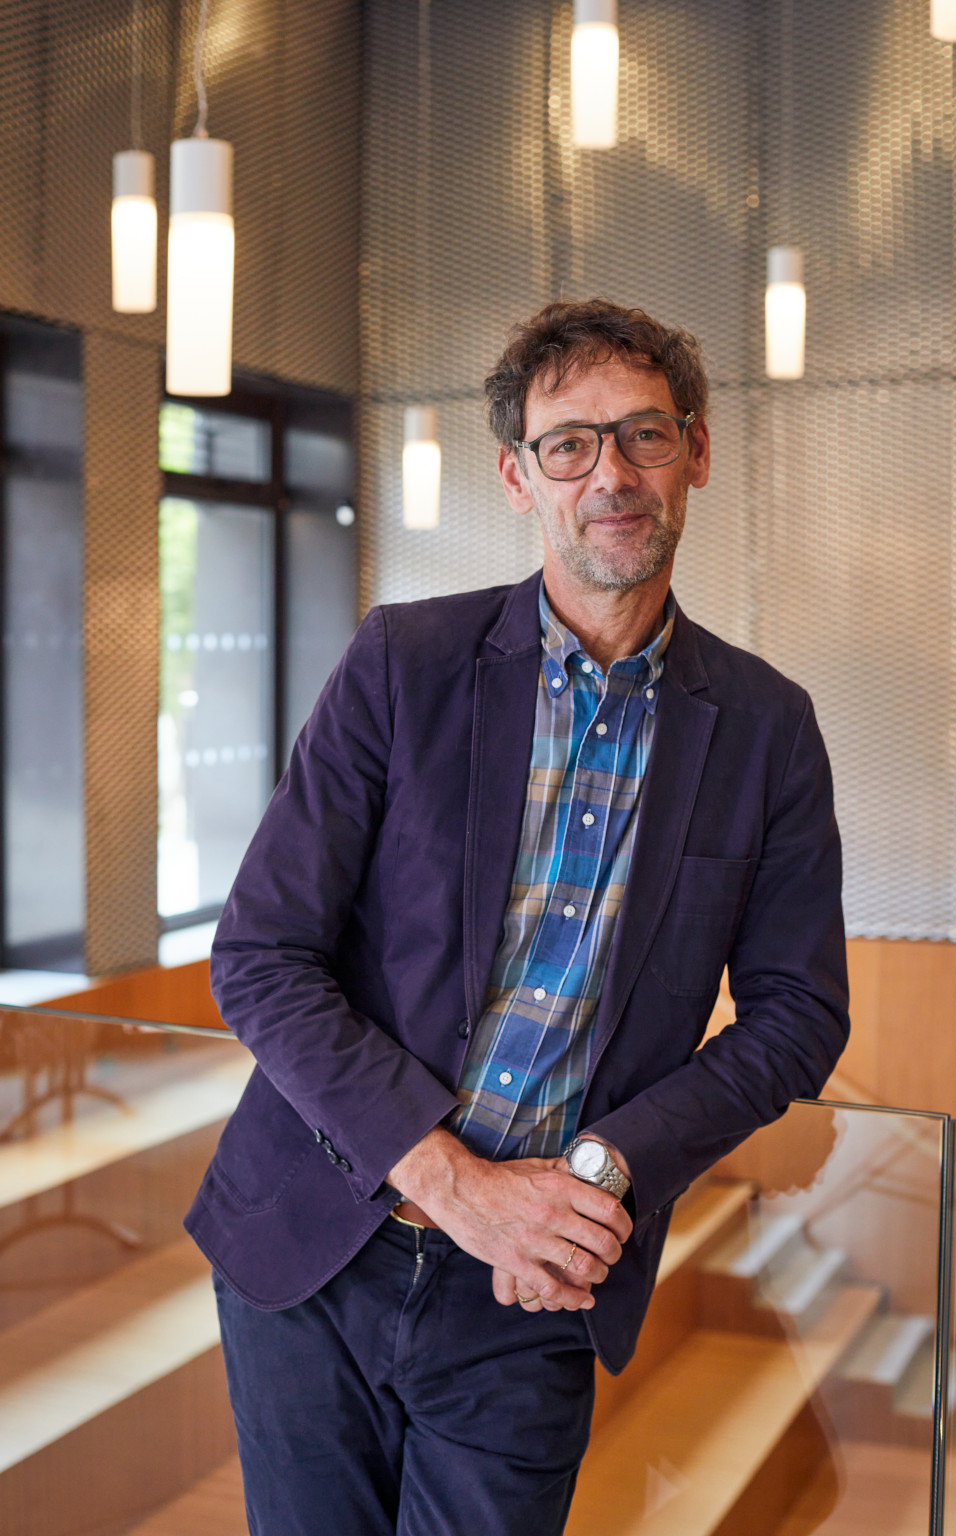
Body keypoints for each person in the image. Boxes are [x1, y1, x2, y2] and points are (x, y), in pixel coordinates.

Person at [186, 297, 849, 1536]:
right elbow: (262, 958)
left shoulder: (767, 728)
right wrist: (452, 1180)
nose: (612, 474)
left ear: (696, 453)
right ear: (517, 474)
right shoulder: (402, 665)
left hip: (540, 1288)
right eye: (570, 443)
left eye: (645, 436)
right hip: (317, 1246)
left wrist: (600, 1174)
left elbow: (799, 1015)